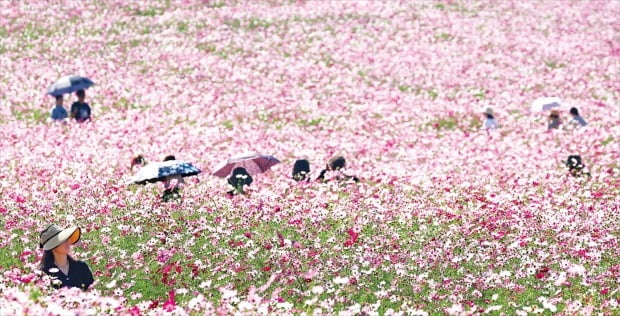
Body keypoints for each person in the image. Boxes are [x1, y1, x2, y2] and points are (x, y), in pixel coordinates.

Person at [39, 224, 94, 290]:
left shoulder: (81, 267)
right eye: (62, 241)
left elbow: (92, 294)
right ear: (52, 247)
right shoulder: (44, 273)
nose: (68, 242)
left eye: (67, 239)